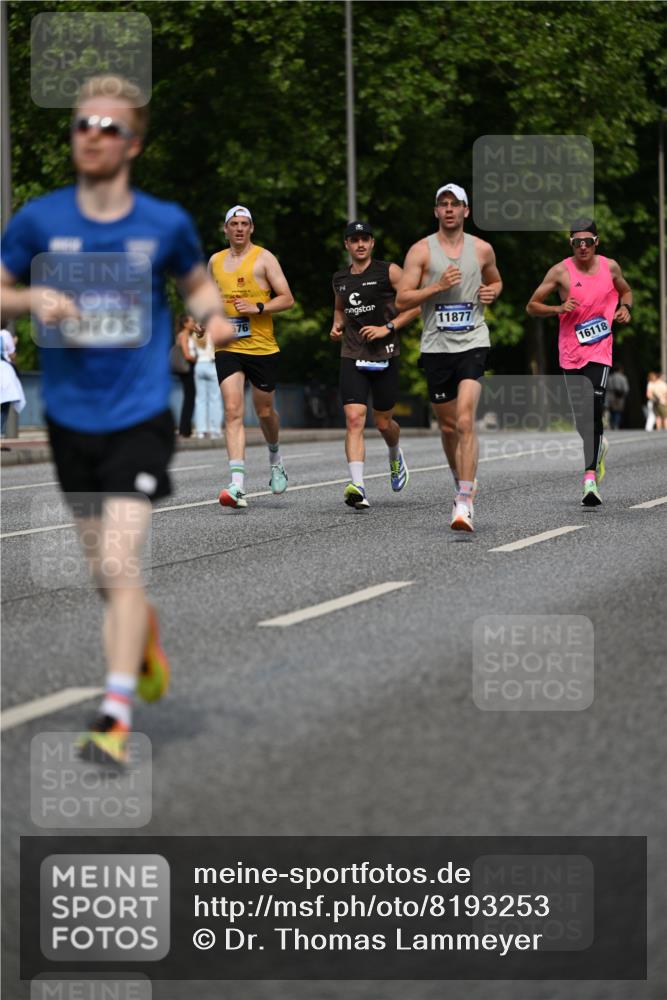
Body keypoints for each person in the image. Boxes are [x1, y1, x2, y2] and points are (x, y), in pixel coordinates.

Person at [0, 74, 234, 764]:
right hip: (72, 419)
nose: (92, 136)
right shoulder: (40, 220)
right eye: (82, 125)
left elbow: (200, 292)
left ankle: (114, 712)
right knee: (106, 573)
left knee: (120, 558)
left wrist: (216, 323)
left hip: (137, 414)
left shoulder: (162, 223)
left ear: (134, 142)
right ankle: (142, 635)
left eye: (108, 127)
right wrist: (30, 297)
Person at [395, 183, 502, 532]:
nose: (450, 209)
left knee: (466, 420)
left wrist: (492, 291)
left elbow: (496, 281)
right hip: (436, 347)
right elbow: (402, 301)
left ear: (466, 211)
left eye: (456, 204)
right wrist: (437, 287)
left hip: (473, 342)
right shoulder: (420, 252)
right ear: (436, 211)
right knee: (447, 425)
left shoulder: (482, 249)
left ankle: (465, 500)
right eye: (443, 204)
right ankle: (461, 480)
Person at [526, 220, 633, 505]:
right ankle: (599, 445)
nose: (582, 246)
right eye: (577, 242)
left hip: (600, 349)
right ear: (570, 244)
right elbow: (532, 305)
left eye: (587, 241)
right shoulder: (560, 271)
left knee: (594, 405)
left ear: (597, 242)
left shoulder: (610, 267)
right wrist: (558, 308)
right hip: (570, 352)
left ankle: (589, 479)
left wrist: (625, 308)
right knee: (581, 418)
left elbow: (626, 291)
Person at [208, 205, 295, 509]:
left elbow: (287, 299)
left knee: (264, 412)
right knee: (232, 410)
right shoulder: (215, 261)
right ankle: (237, 484)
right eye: (234, 224)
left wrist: (259, 308)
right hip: (228, 346)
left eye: (245, 224)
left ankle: (275, 457)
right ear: (226, 229)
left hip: (261, 347)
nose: (240, 229)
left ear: (252, 228)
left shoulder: (264, 258)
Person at [330, 221, 419, 509]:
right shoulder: (340, 278)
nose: (360, 244)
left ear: (372, 243)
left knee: (383, 423)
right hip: (352, 353)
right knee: (354, 418)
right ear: (346, 244)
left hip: (385, 354)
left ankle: (395, 454)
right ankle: (358, 485)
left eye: (365, 239)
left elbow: (416, 304)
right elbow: (340, 308)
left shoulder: (389, 271)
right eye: (354, 239)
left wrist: (387, 327)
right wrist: (336, 326)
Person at [193, 321, 223, 438]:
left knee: (200, 399)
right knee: (215, 399)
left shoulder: (196, 332)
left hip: (199, 364)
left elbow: (192, 350)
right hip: (211, 364)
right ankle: (215, 430)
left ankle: (201, 430)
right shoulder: (214, 330)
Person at [0, 327, 26, 446]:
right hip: (3, 372)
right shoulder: (5, 334)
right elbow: (12, 355)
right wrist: (14, 342)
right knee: (3, 406)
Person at [174, 314, 197, 437]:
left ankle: (185, 428)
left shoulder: (188, 335)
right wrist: (199, 360)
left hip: (189, 368)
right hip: (187, 368)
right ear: (185, 324)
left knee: (189, 398)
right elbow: (187, 355)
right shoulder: (183, 335)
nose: (193, 323)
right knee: (189, 398)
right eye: (191, 321)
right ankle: (185, 430)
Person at [605, 363, 630, 430]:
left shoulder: (609, 377)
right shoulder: (623, 378)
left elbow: (606, 388)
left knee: (610, 411)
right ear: (620, 369)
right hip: (619, 397)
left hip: (610, 396)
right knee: (617, 412)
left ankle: (609, 424)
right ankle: (616, 425)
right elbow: (626, 389)